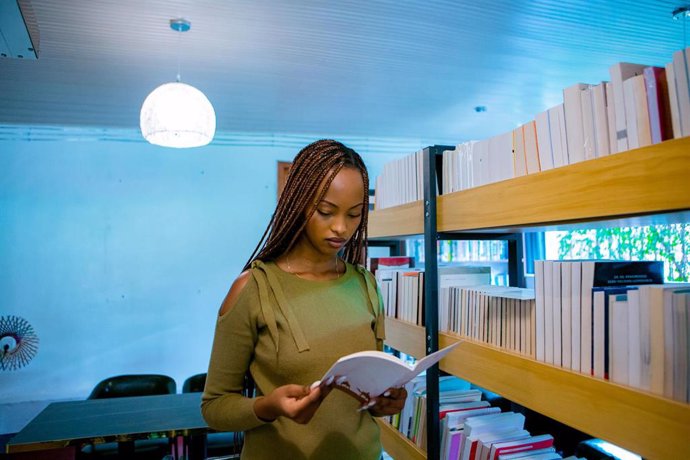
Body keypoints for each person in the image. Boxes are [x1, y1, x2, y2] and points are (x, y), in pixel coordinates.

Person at [201, 139, 407, 459]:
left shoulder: (365, 284)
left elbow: (366, 393)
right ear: (297, 204)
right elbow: (214, 407)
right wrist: (268, 407)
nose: (341, 228)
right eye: (325, 211)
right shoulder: (254, 288)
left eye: (354, 215)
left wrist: (386, 403)